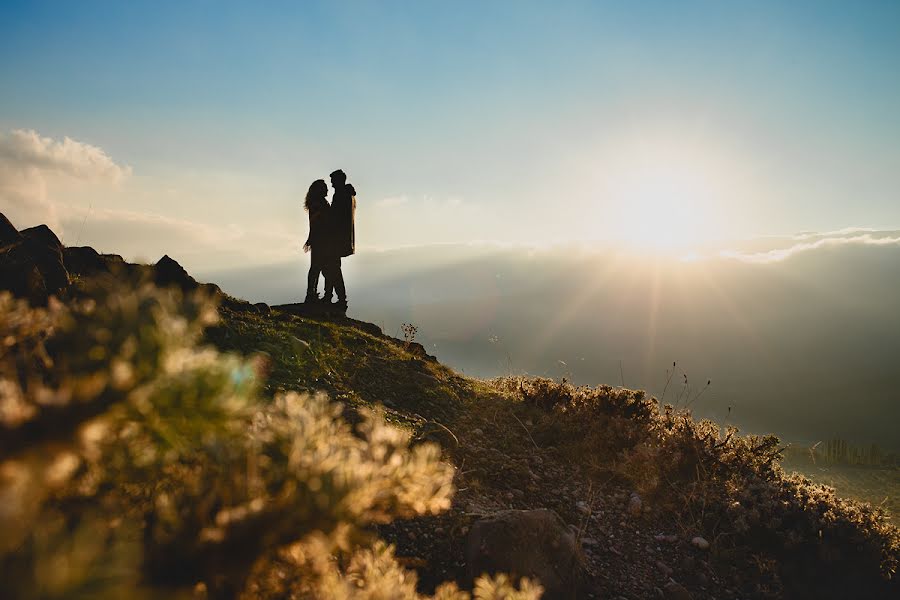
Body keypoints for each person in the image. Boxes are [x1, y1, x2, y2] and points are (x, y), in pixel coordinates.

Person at [326, 169, 356, 309]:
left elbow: (335, 217)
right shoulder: (349, 195)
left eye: (333, 181)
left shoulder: (340, 195)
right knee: (333, 267)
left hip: (336, 238)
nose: (331, 185)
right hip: (343, 238)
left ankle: (339, 298)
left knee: (332, 268)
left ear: (338, 181)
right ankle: (332, 297)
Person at [303, 179, 331, 303]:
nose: (327, 189)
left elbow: (312, 223)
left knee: (316, 268)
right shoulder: (319, 204)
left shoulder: (316, 203)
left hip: (318, 239)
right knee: (320, 268)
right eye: (324, 187)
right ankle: (313, 294)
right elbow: (315, 222)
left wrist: (310, 238)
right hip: (322, 240)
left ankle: (312, 293)